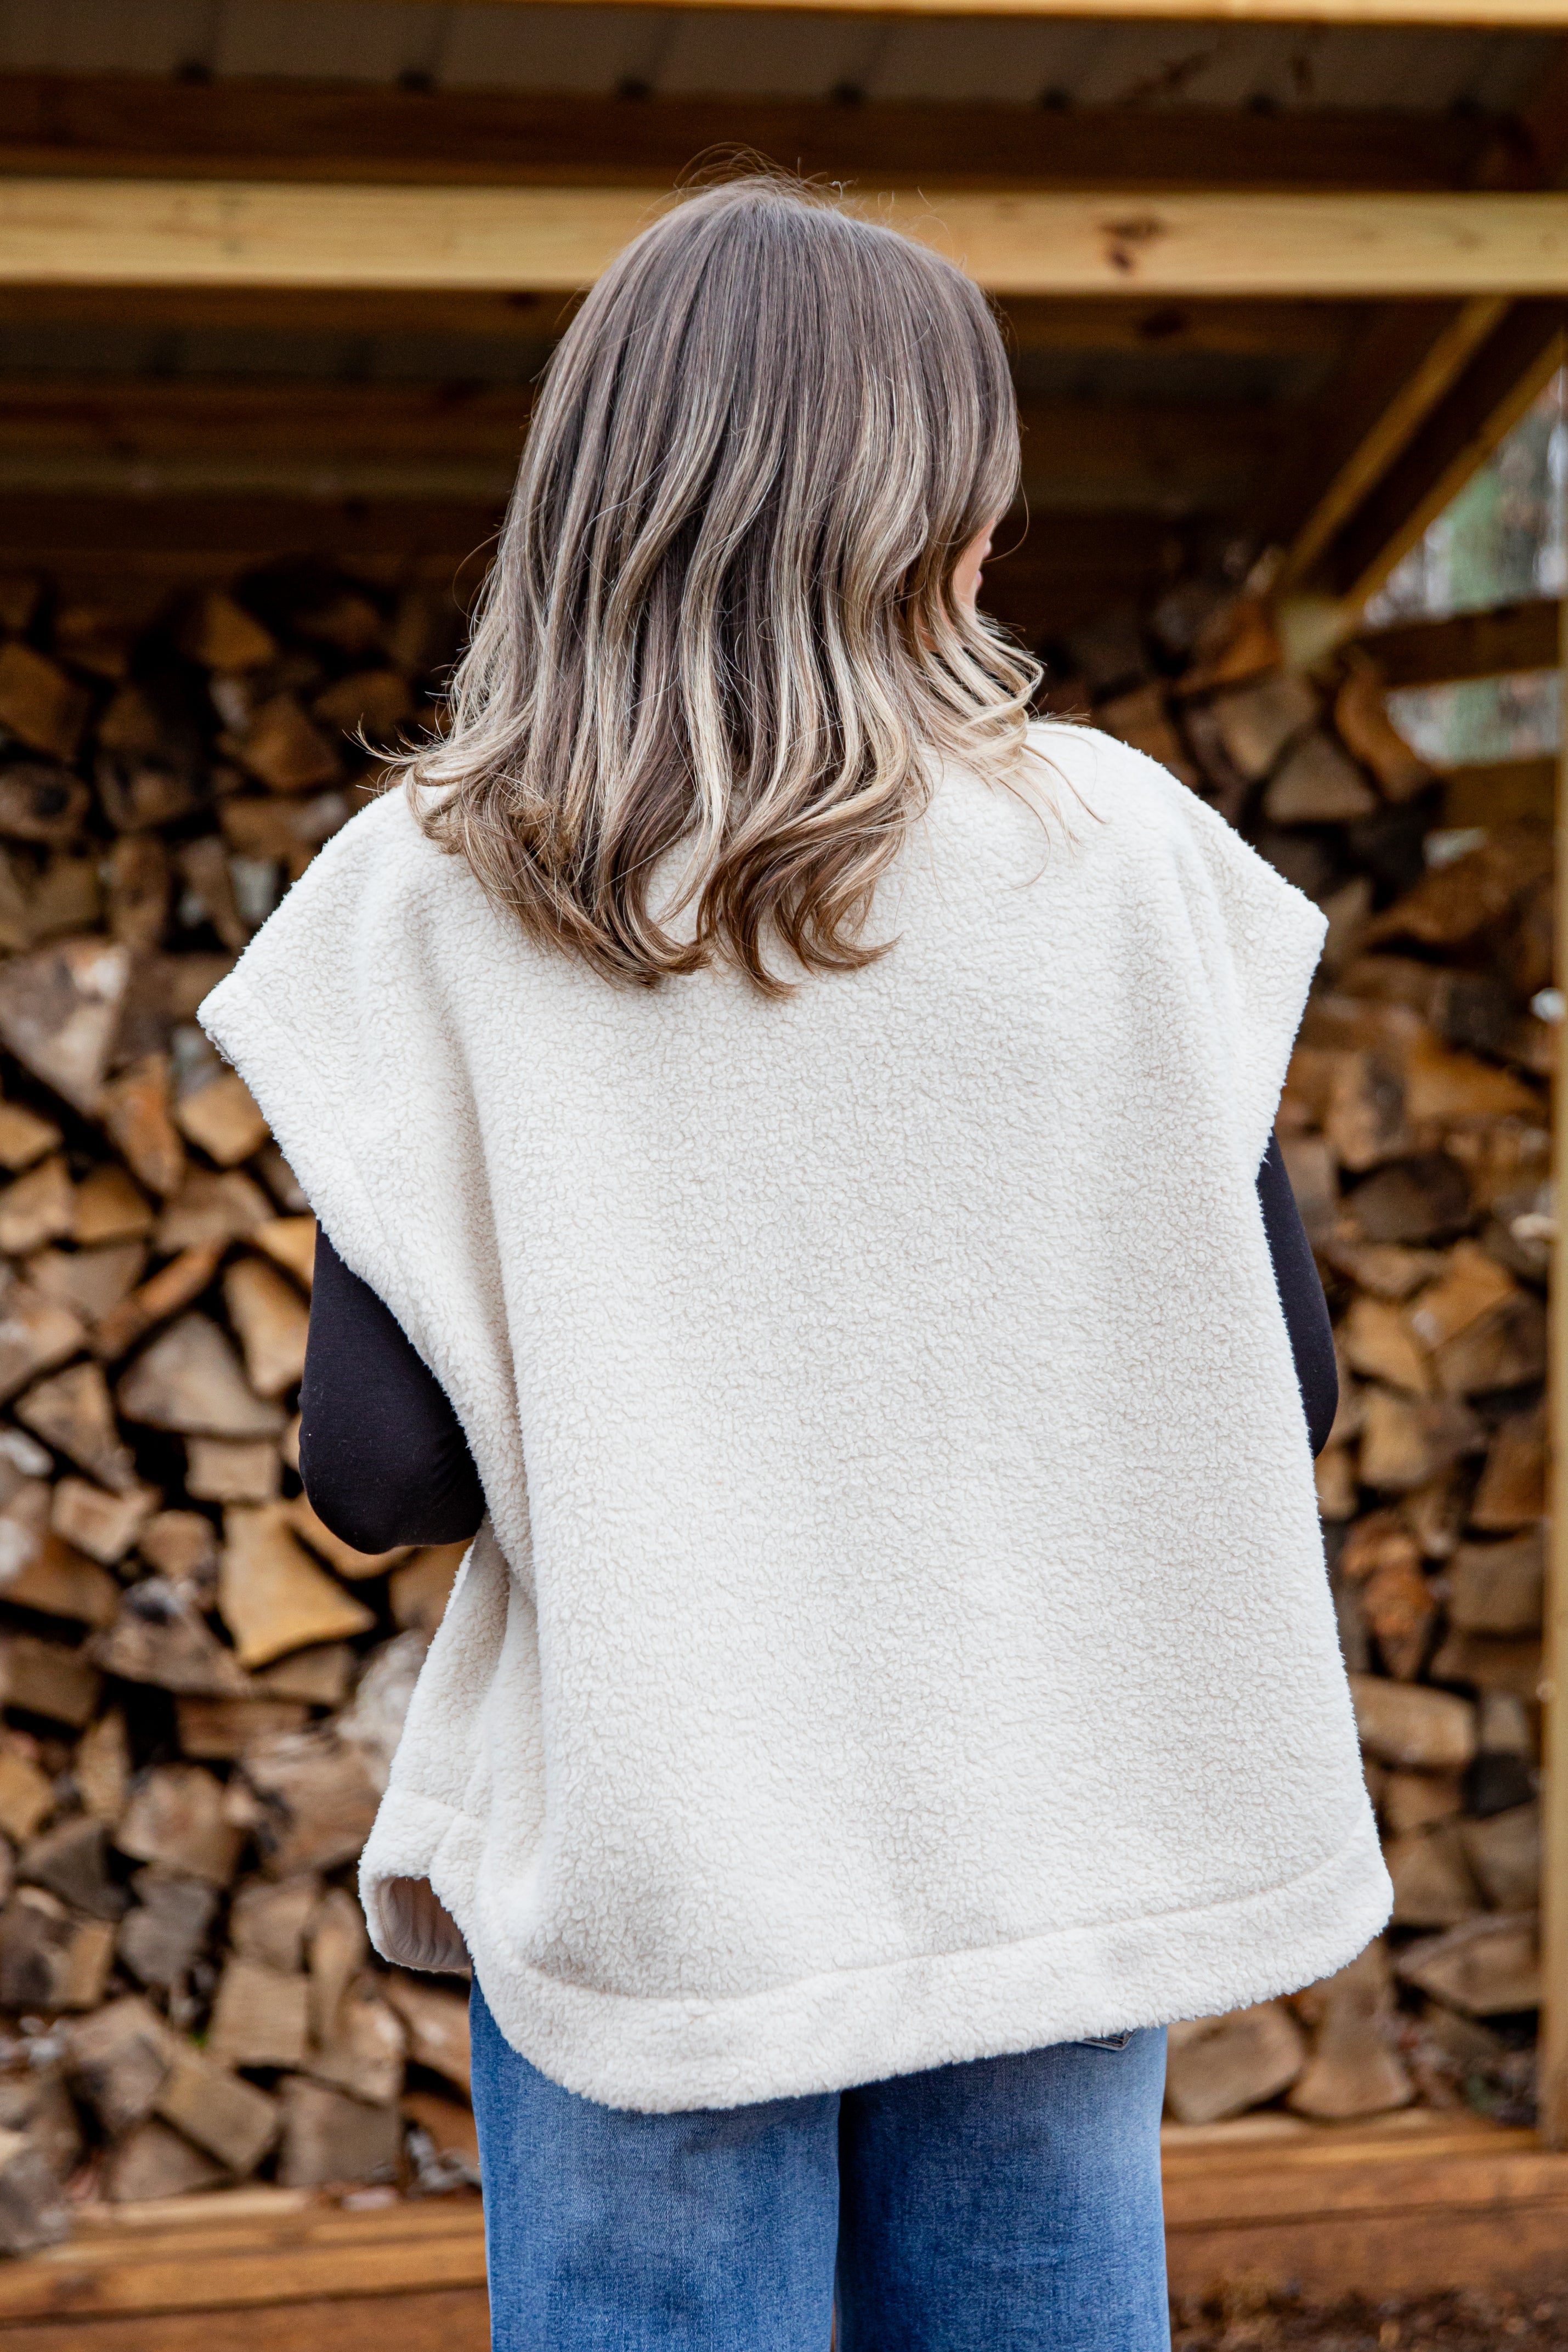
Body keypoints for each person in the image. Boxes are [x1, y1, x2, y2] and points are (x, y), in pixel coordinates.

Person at [201, 177, 1389, 2352]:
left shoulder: (450, 881)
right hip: (1046, 1836)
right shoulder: (1114, 856)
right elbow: (1277, 1385)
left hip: (673, 1854)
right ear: (926, 511)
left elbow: (373, 1473)